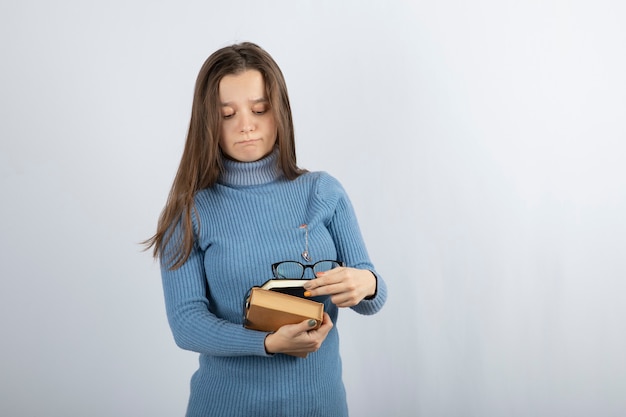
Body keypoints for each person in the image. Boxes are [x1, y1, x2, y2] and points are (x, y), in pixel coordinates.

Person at [145, 41, 387, 417]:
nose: (246, 125)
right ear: (208, 122)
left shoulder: (323, 191)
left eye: (260, 109)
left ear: (280, 112)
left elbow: (373, 291)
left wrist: (365, 284)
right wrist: (268, 343)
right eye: (227, 114)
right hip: (226, 407)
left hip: (319, 406)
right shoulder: (189, 211)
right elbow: (187, 325)